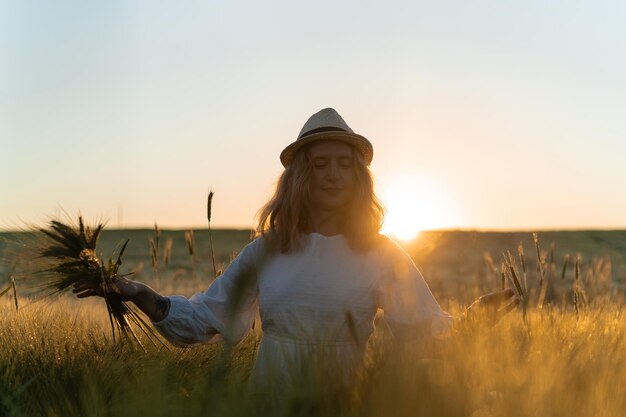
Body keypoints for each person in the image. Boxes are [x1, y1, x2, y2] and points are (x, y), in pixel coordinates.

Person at [72, 108, 517, 394]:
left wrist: (477, 317)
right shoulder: (266, 252)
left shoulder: (382, 255)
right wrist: (137, 293)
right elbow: (207, 317)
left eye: (345, 164)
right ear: (300, 175)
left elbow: (421, 328)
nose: (333, 175)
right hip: (270, 400)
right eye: (320, 164)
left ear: (359, 176)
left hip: (346, 399)